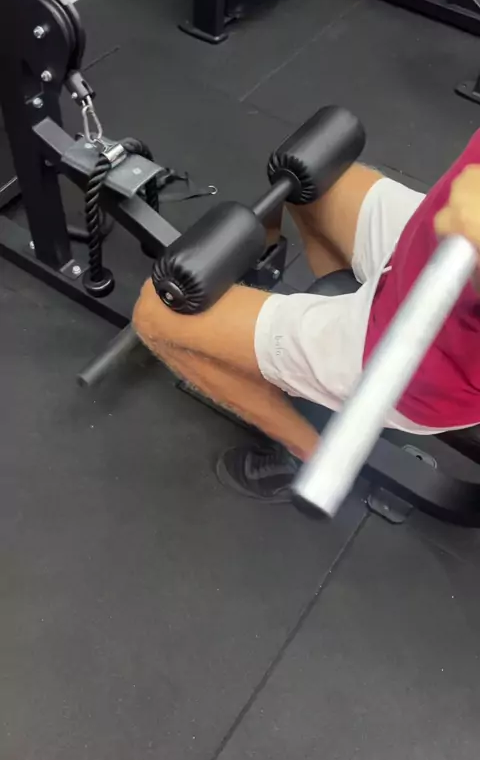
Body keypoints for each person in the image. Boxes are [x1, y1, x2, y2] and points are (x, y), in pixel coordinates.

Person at [133, 132, 480, 504]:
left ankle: (306, 454)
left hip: (421, 358)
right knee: (314, 176)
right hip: (431, 239)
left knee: (156, 314)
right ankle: (325, 353)